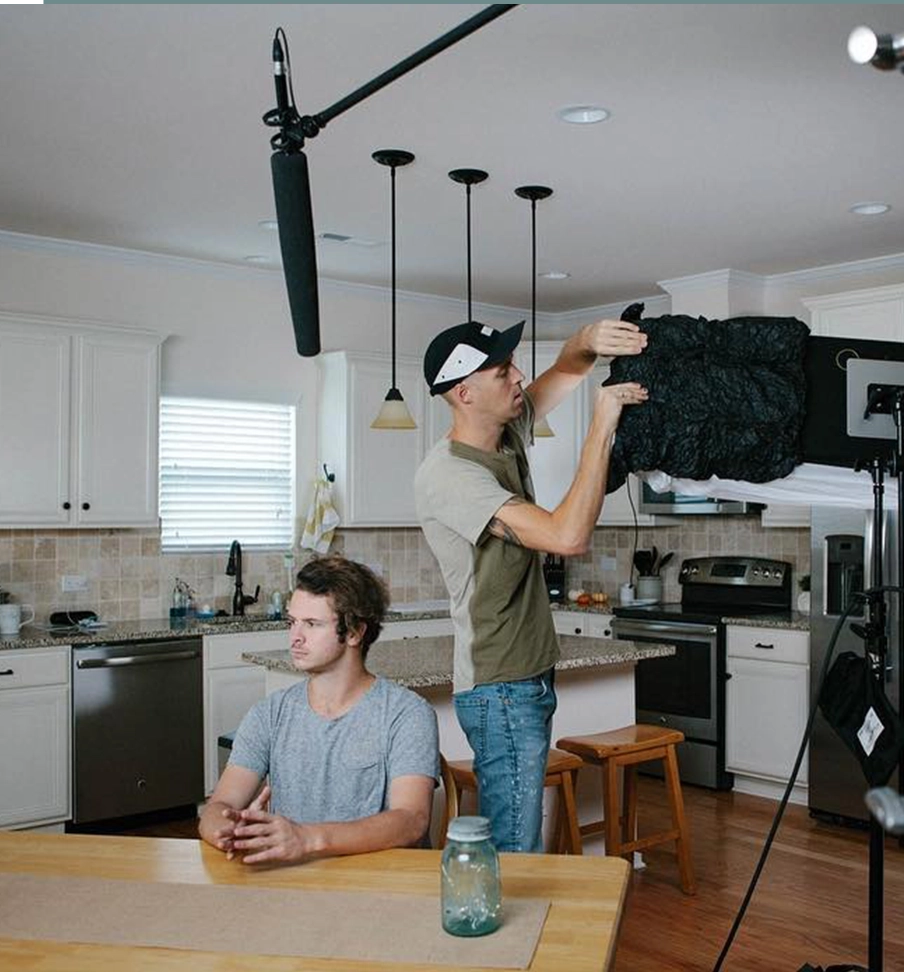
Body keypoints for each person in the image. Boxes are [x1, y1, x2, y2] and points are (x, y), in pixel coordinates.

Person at [415, 317, 647, 852]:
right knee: (516, 849)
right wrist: (602, 424)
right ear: (464, 392)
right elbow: (566, 537)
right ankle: (495, 935)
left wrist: (587, 339)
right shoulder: (451, 475)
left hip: (526, 675)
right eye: (503, 371)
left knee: (517, 839)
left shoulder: (505, 433)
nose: (519, 376)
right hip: (499, 686)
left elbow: (566, 369)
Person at [199, 556, 440, 862]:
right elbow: (218, 806)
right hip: (295, 886)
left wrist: (307, 838)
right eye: (292, 622)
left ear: (354, 632)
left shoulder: (406, 714)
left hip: (379, 889)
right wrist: (228, 828)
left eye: (312, 624)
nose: (295, 637)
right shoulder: (269, 714)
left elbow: (411, 821)